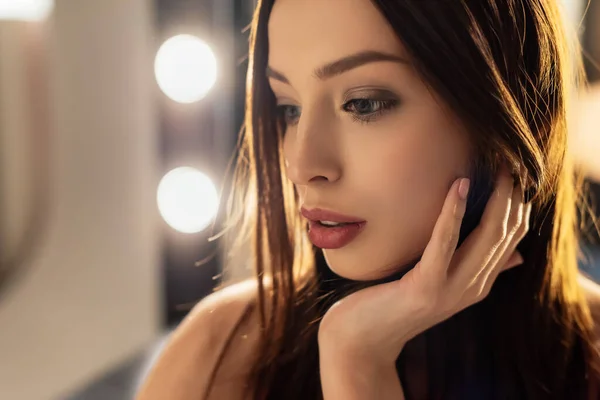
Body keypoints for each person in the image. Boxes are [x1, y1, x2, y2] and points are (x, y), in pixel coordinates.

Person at [136, 0, 600, 398]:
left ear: (516, 121)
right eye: (289, 108)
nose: (302, 165)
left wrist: (357, 366)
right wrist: (353, 353)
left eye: (363, 103)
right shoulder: (218, 353)